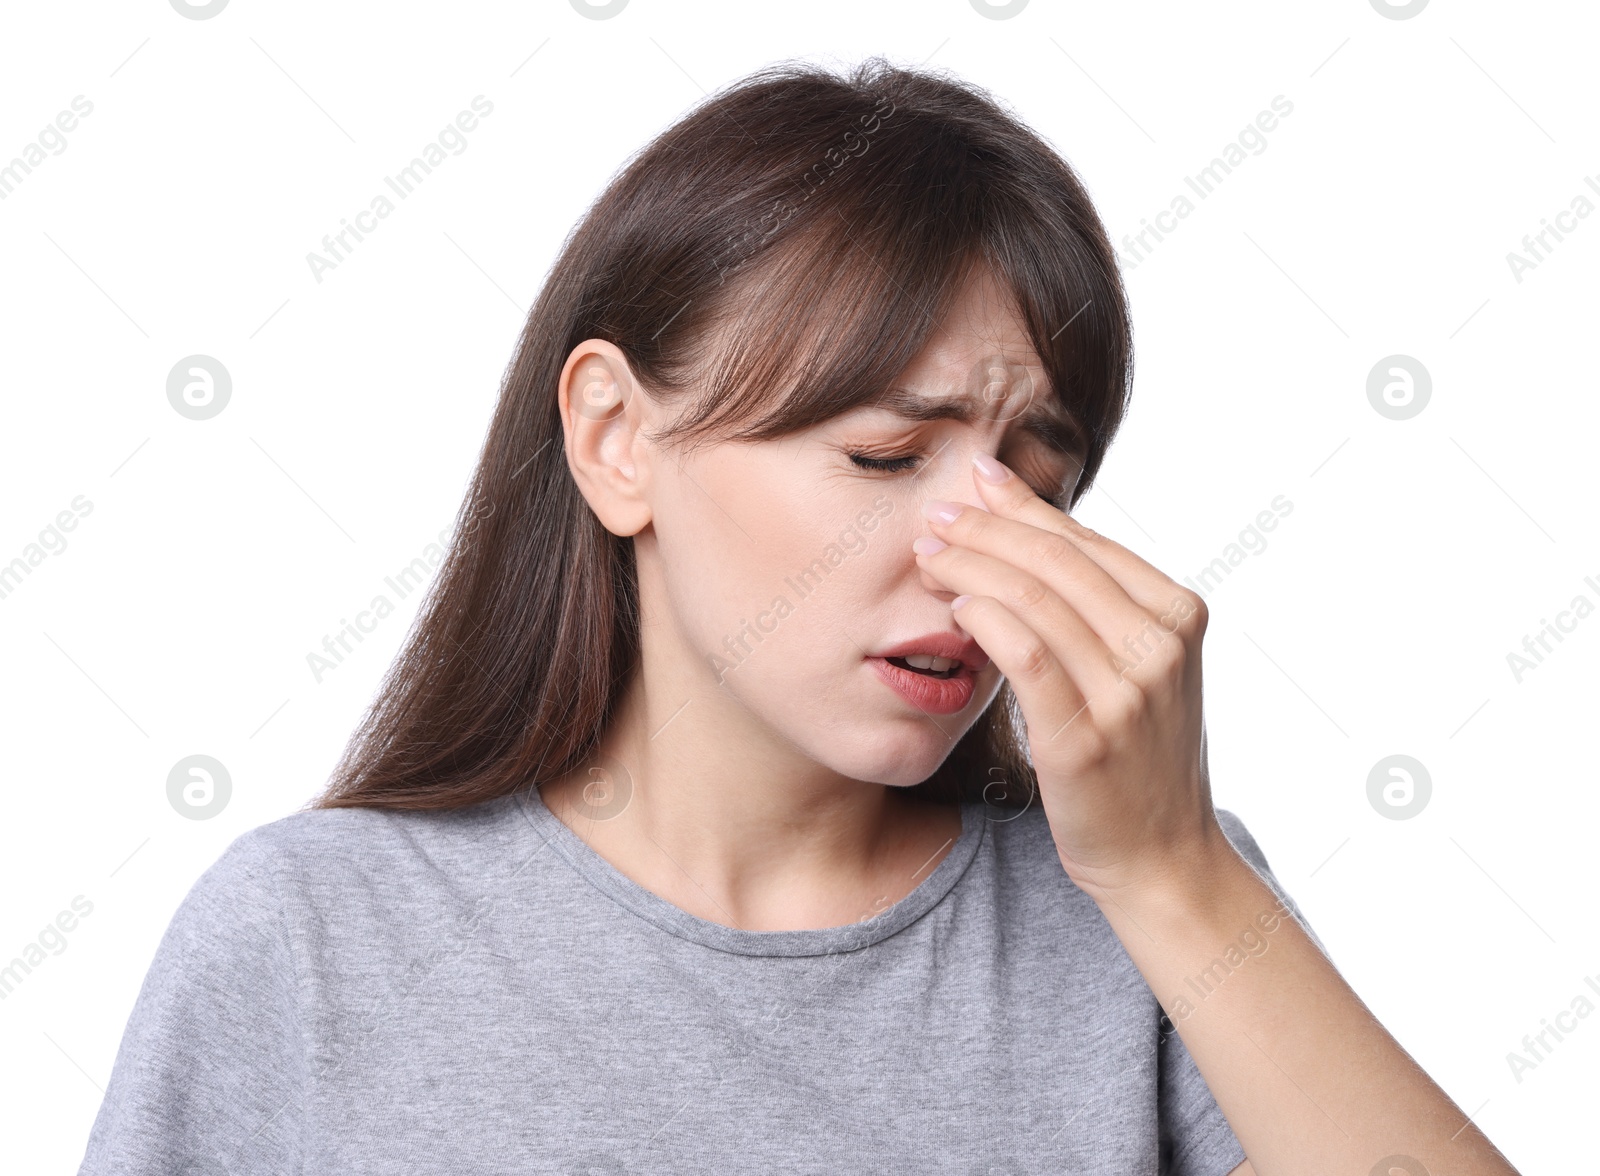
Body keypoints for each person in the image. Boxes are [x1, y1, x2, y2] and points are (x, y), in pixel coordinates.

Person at [77, 58, 1519, 1176]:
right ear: (616, 439)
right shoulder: (310, 940)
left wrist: (1172, 870)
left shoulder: (1151, 915)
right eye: (886, 458)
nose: (982, 551)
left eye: (1043, 478)